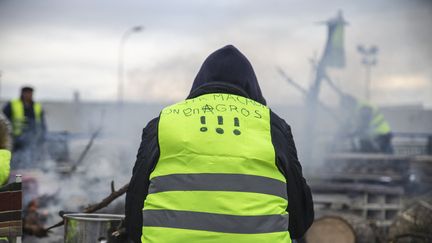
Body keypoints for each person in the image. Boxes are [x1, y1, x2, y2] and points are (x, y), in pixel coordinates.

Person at [125, 45, 314, 243]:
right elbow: (300, 220)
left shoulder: (163, 123)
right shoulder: (273, 126)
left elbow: (134, 217)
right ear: (253, 87)